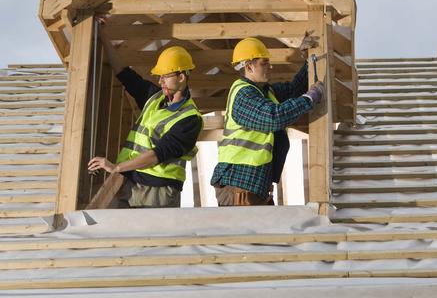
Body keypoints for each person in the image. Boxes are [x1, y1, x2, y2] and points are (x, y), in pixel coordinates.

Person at [211, 35, 324, 206]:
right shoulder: (243, 95)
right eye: (264, 63)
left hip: (253, 186)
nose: (270, 66)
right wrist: (309, 99)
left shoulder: (265, 92)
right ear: (249, 67)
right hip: (238, 183)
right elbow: (273, 117)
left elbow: (293, 89)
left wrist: (308, 62)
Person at [88, 41, 203, 208]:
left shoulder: (190, 119)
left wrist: (116, 167)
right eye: (159, 76)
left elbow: (157, 155)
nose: (160, 80)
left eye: (165, 75)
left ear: (181, 77)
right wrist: (103, 36)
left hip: (158, 191)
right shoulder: (154, 97)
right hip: (132, 182)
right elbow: (124, 73)